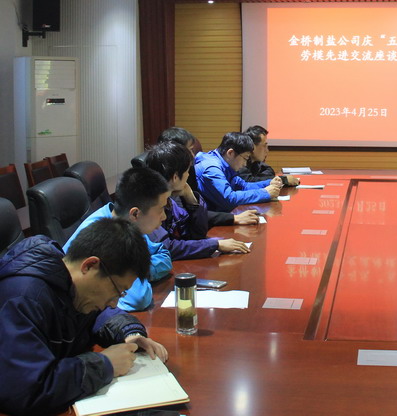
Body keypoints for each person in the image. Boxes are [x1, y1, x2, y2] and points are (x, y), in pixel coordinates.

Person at [0, 218, 168, 416]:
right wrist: (104, 365)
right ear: (90, 265)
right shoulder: (23, 298)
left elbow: (98, 315)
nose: (114, 303)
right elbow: (26, 391)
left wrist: (129, 332)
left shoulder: (71, 283)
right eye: (117, 291)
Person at [63, 167, 172, 311]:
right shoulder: (108, 236)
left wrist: (136, 272)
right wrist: (137, 273)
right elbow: (139, 298)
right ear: (135, 214)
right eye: (161, 209)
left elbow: (165, 256)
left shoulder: (126, 225)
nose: (164, 216)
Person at [146, 141, 251, 259]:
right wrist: (215, 244)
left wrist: (190, 198)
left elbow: (196, 234)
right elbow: (167, 248)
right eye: (187, 171)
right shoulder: (149, 204)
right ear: (175, 177)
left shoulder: (171, 200)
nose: (188, 176)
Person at [158, 127, 259, 226]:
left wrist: (191, 198)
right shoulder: (210, 167)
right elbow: (187, 220)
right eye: (190, 150)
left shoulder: (189, 172)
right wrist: (233, 218)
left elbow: (195, 219)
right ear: (173, 151)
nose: (193, 155)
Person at [195, 131, 283, 212]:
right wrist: (265, 193)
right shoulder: (211, 169)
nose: (245, 164)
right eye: (245, 158)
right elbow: (229, 199)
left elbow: (244, 186)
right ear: (230, 153)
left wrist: (269, 183)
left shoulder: (225, 164)